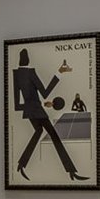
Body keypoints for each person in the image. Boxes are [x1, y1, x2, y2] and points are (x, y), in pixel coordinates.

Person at [13, 49, 84, 180]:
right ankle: (71, 170)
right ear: (28, 60)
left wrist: (35, 105)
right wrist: (59, 73)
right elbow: (45, 92)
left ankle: (21, 164)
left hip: (29, 111)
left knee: (38, 131)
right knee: (53, 135)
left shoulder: (16, 74)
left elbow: (17, 104)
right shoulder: (30, 73)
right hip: (37, 110)